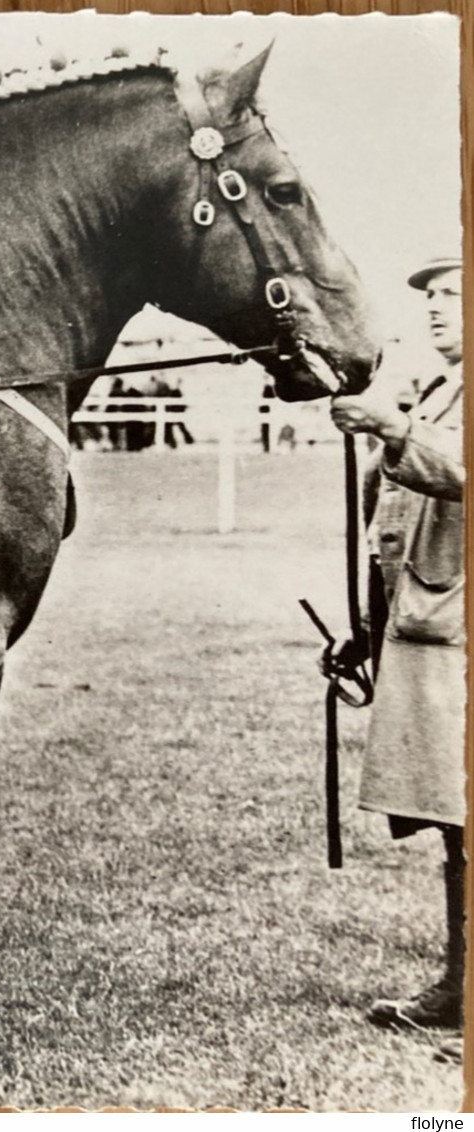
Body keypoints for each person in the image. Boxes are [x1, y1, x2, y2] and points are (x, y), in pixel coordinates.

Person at [330, 256, 465, 1057]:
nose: (438, 310)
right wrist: (369, 626)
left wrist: (396, 429)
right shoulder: (445, 388)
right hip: (431, 624)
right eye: (433, 299)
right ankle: (460, 986)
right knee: (455, 817)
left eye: (455, 295)